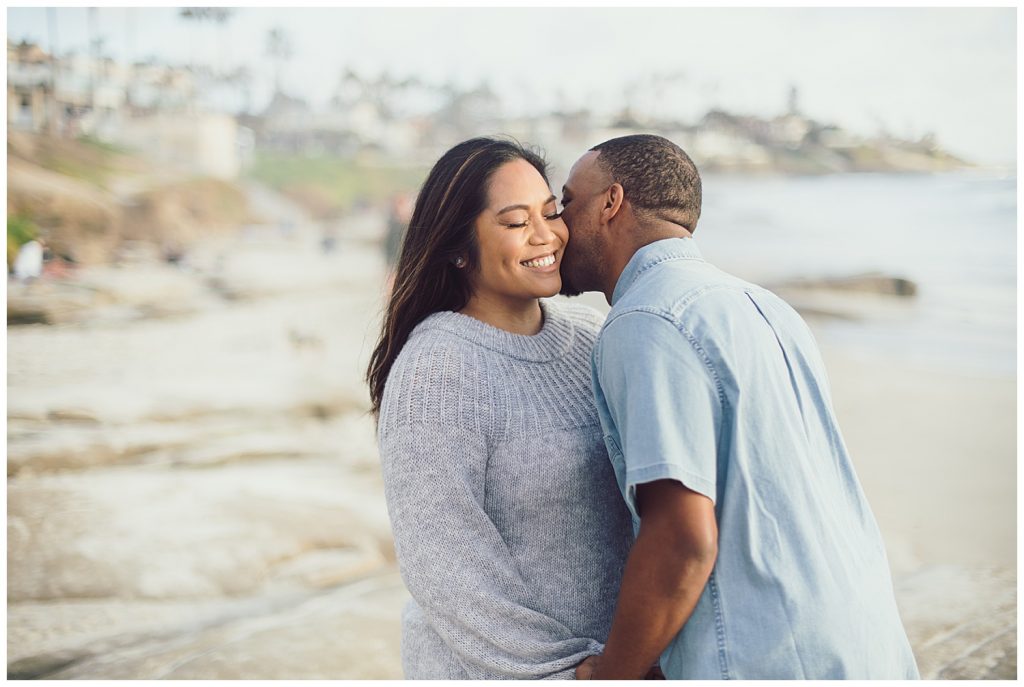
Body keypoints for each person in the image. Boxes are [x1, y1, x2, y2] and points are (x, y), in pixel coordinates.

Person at [558, 134, 920, 680]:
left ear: (611, 202)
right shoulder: (764, 306)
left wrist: (613, 672)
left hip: (766, 659)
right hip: (864, 641)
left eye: (567, 202)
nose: (558, 223)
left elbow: (681, 537)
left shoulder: (645, 321)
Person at [366, 137, 635, 679]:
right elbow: (446, 566)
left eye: (551, 212)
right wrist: (571, 671)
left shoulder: (593, 342)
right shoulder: (437, 370)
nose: (546, 236)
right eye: (515, 223)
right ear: (459, 249)